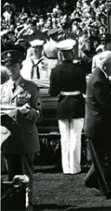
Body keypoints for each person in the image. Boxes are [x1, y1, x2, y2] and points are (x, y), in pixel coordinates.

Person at [1, 50, 42, 210]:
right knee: (11, 175)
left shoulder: (30, 87)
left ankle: (27, 203)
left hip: (25, 137)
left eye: (14, 65)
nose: (11, 69)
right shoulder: (2, 89)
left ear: (20, 66)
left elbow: (38, 116)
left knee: (25, 175)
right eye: (8, 65)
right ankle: (12, 203)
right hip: (7, 138)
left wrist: (28, 111)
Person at [84, 50, 111, 199]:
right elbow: (107, 104)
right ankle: (109, 190)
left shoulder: (100, 75)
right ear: (104, 65)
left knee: (104, 158)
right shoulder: (97, 80)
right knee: (105, 159)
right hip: (98, 126)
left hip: (100, 125)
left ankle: (92, 180)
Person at [49, 39, 86, 175]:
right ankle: (75, 167)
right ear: (71, 53)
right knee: (76, 137)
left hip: (63, 104)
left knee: (64, 138)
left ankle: (66, 168)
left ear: (60, 54)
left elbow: (53, 92)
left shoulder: (55, 71)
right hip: (77, 103)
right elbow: (84, 89)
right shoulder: (79, 70)